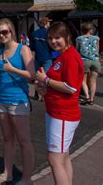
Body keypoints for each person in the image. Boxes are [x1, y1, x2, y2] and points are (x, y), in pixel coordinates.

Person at [35, 22, 84, 185]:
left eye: (57, 38)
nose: (53, 41)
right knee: (63, 157)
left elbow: (70, 88)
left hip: (63, 115)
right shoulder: (62, 55)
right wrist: (45, 88)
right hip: (56, 112)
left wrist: (46, 81)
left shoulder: (70, 57)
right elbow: (59, 84)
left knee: (54, 159)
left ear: (67, 37)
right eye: (50, 38)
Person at [0, 18, 35, 185]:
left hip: (18, 100)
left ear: (11, 32)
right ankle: (7, 174)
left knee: (23, 140)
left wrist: (13, 69)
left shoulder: (23, 50)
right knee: (7, 138)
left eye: (5, 32)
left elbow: (32, 76)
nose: (2, 35)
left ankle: (26, 178)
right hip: (1, 100)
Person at [76, 22, 100, 105]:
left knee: (83, 80)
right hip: (95, 60)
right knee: (93, 81)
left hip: (84, 61)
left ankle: (86, 96)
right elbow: (97, 49)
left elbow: (77, 51)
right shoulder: (96, 38)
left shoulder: (79, 39)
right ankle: (92, 99)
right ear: (90, 30)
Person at [30, 17, 53, 102]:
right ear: (46, 23)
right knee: (45, 77)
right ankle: (43, 95)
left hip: (37, 58)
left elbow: (31, 47)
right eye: (49, 23)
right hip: (47, 57)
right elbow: (52, 47)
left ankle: (36, 94)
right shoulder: (49, 34)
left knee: (37, 77)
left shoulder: (34, 34)